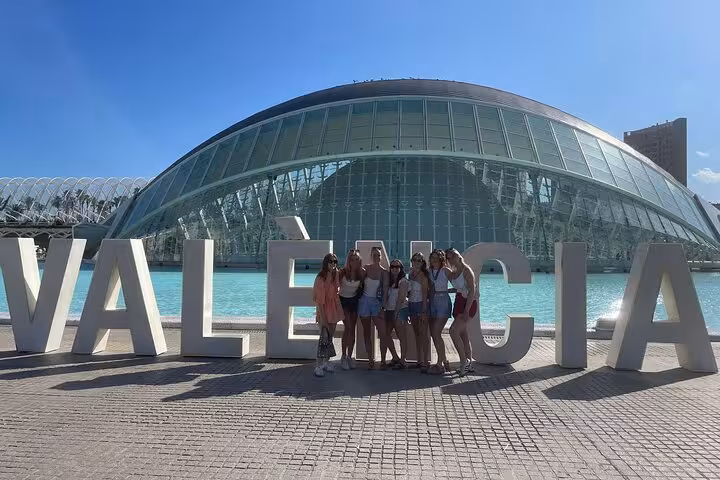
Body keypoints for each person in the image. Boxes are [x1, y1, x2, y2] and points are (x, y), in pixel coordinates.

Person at [358, 246, 391, 369]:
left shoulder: (384, 272)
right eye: (374, 255)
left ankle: (383, 360)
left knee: (383, 333)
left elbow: (386, 291)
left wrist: (383, 307)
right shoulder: (365, 269)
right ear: (371, 256)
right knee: (367, 333)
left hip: (377, 304)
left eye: (378, 255)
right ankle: (370, 360)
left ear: (381, 257)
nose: (376, 257)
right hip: (364, 302)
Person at [446, 247, 477, 376]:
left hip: (468, 304)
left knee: (453, 331)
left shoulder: (466, 270)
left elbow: (472, 291)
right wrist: (448, 291)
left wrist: (466, 311)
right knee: (463, 334)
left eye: (453, 255)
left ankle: (464, 361)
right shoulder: (454, 272)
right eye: (448, 257)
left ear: (458, 255)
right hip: (458, 302)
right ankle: (469, 364)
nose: (451, 258)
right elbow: (460, 288)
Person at [312, 253, 344, 377]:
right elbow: (319, 302)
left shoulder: (335, 275)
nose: (333, 264)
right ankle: (318, 365)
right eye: (330, 261)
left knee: (330, 338)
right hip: (324, 310)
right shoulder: (321, 278)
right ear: (326, 263)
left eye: (335, 261)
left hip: (334, 309)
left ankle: (326, 363)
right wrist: (323, 319)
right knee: (323, 339)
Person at [428, 249, 453, 374]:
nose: (434, 260)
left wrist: (449, 291)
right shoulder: (429, 272)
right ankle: (445, 361)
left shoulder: (446, 271)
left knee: (436, 332)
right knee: (434, 334)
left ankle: (439, 365)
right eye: (432, 257)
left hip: (443, 300)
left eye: (436, 257)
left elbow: (457, 284)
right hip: (433, 301)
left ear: (441, 259)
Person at [339, 249, 364, 370]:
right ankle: (343, 357)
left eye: (356, 259)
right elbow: (334, 287)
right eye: (352, 259)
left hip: (354, 302)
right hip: (343, 301)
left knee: (352, 329)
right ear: (348, 260)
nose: (354, 261)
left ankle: (349, 357)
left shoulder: (362, 273)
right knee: (347, 328)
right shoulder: (342, 272)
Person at [383, 259, 409, 369]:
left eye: (397, 267)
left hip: (400, 310)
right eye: (392, 266)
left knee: (401, 336)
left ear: (401, 268)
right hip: (389, 310)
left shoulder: (403, 281)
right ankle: (395, 357)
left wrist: (397, 313)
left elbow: (401, 299)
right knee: (385, 334)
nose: (395, 268)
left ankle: (403, 360)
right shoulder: (389, 281)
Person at [408, 252, 431, 373]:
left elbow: (425, 294)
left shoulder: (423, 275)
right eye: (415, 260)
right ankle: (419, 360)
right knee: (417, 334)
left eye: (419, 260)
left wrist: (423, 311)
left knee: (423, 334)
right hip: (411, 304)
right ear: (412, 261)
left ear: (422, 262)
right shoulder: (411, 274)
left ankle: (426, 362)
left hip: (420, 305)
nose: (417, 262)